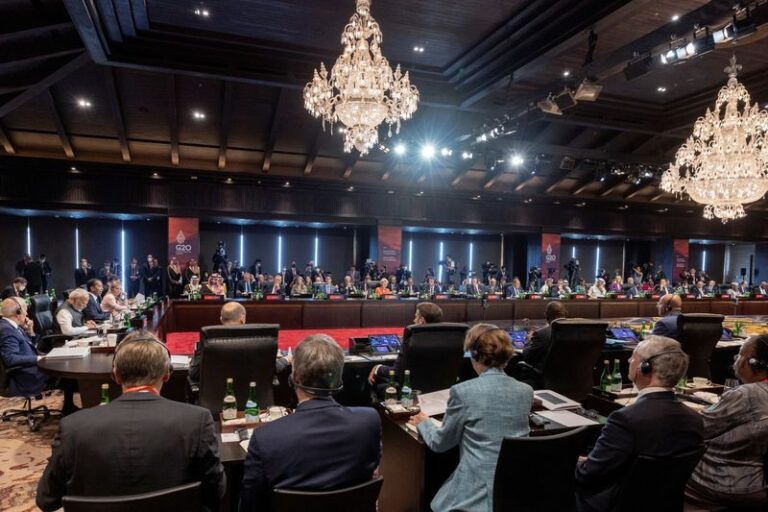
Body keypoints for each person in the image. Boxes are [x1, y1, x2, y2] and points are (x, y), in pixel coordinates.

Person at [36, 332, 226, 511]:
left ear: (116, 376)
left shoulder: (73, 427)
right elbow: (216, 491)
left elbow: (47, 499)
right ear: (167, 374)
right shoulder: (197, 420)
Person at [239, 334, 381, 511]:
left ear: (295, 377)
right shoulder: (369, 422)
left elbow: (250, 505)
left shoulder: (265, 438)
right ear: (338, 379)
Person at [408, 324, 533, 512]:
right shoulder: (526, 392)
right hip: (515, 490)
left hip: (475, 494)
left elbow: (440, 443)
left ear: (474, 355)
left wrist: (424, 423)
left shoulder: (462, 392)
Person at [575, 336, 704, 511]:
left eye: (633, 356)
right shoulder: (695, 419)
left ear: (645, 368)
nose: (629, 360)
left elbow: (588, 475)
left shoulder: (624, 419)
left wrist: (580, 463)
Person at [685, 335, 768, 510]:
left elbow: (698, 429)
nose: (736, 360)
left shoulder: (745, 395)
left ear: (754, 363)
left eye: (739, 355)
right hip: (758, 484)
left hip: (724, 484)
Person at [188, 302, 292, 384]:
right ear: (242, 318)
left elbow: (194, 373)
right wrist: (286, 360)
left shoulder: (208, 341)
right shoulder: (257, 340)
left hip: (215, 404)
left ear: (221, 319)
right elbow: (271, 368)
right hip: (253, 404)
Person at [368, 302, 443, 389]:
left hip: (409, 392)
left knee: (373, 378)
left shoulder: (411, 342)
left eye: (415, 317)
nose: (414, 320)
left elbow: (396, 373)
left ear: (421, 320)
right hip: (440, 392)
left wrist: (378, 367)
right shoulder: (449, 339)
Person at [0, 297, 48, 397]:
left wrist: (30, 331)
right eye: (25, 310)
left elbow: (31, 347)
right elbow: (10, 358)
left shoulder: (14, 326)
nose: (26, 314)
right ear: (18, 312)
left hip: (29, 367)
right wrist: (39, 358)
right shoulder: (6, 330)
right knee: (65, 372)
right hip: (24, 374)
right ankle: (69, 407)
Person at [522, 301, 568, 375]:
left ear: (547, 316)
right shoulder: (579, 331)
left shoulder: (541, 334)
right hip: (579, 381)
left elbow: (528, 358)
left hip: (547, 380)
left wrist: (528, 341)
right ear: (565, 314)